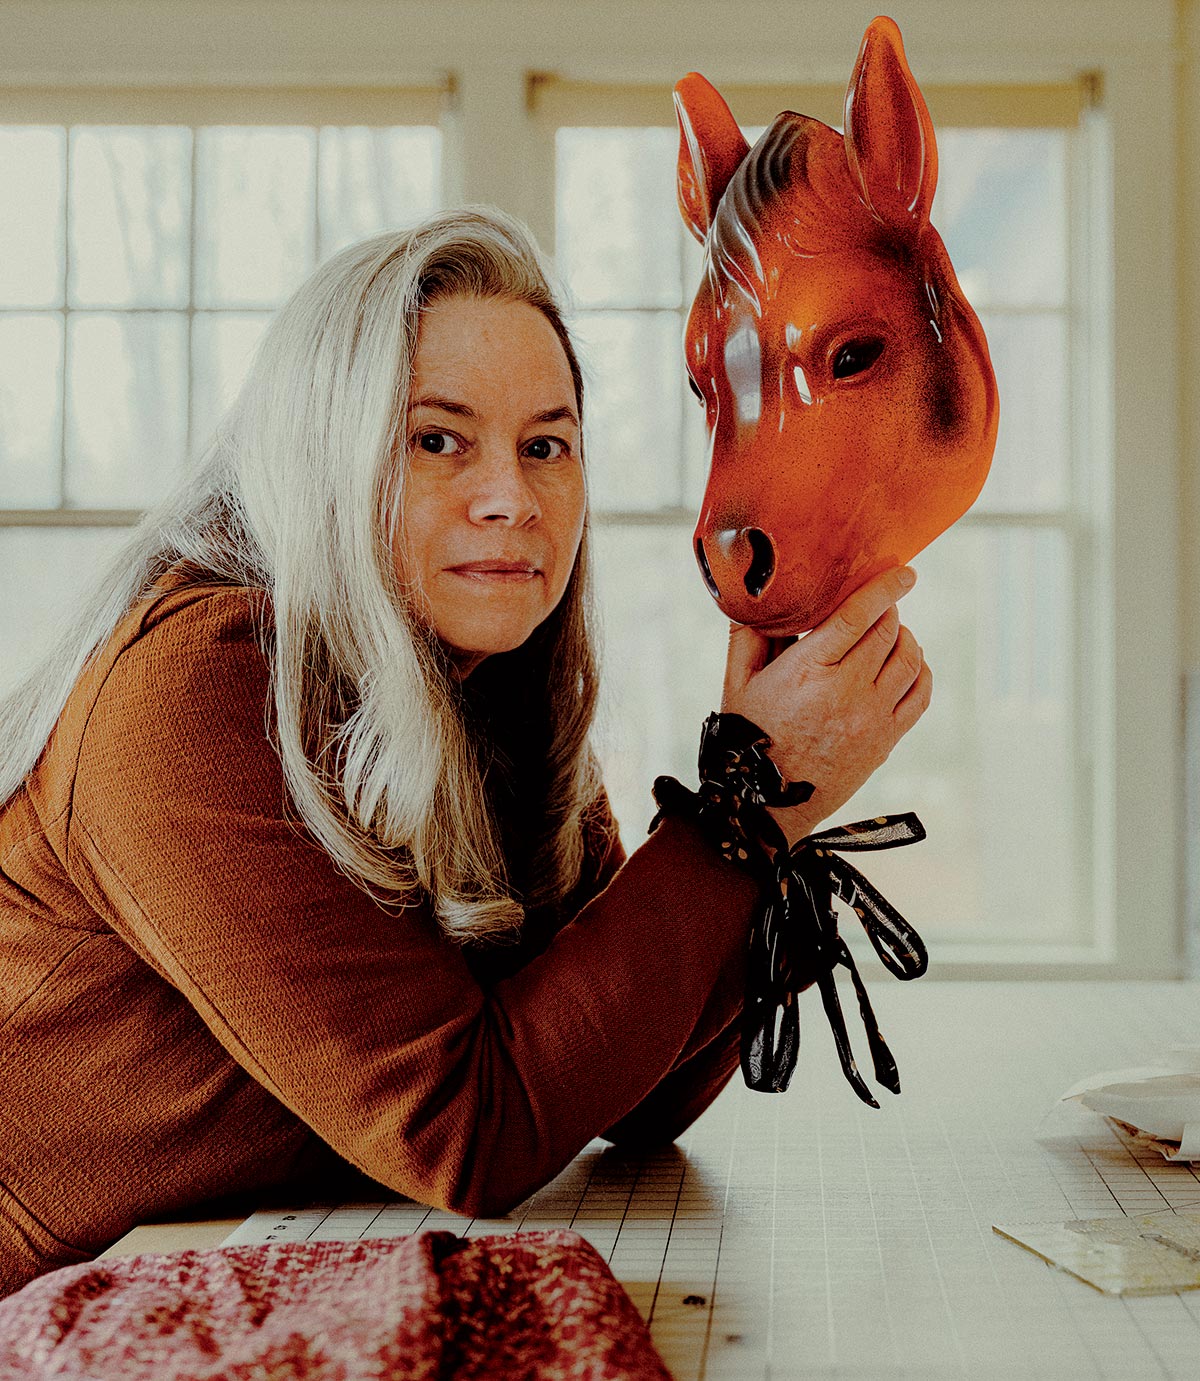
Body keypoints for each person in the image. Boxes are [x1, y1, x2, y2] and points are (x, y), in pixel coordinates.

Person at [0, 209, 930, 1300]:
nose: (512, 499)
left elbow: (629, 1094)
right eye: (437, 440)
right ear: (322, 456)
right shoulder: (194, 689)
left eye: (547, 446)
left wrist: (767, 792)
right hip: (49, 1316)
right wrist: (750, 802)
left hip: (220, 1285)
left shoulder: (484, 681)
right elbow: (471, 1131)